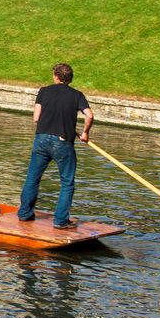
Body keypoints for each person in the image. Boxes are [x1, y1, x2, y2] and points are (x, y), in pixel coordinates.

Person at [18, 61, 93, 228]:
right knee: (67, 182)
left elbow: (36, 118)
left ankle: (24, 214)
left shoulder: (44, 91)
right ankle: (60, 221)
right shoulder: (77, 95)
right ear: (69, 78)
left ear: (56, 77)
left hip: (41, 139)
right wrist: (85, 132)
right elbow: (89, 115)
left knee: (33, 178)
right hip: (62, 142)